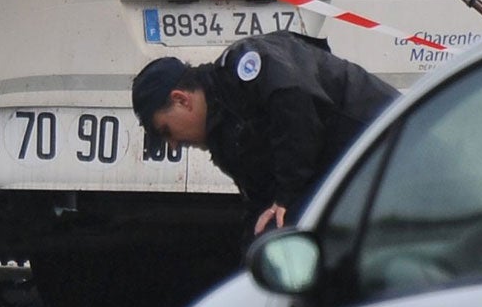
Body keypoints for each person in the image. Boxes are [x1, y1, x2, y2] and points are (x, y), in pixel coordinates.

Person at [132, 31, 396, 238]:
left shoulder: (244, 64)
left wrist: (287, 197)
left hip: (393, 141)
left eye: (166, 131)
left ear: (181, 100)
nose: (174, 143)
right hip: (360, 172)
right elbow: (260, 205)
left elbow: (295, 103)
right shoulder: (223, 139)